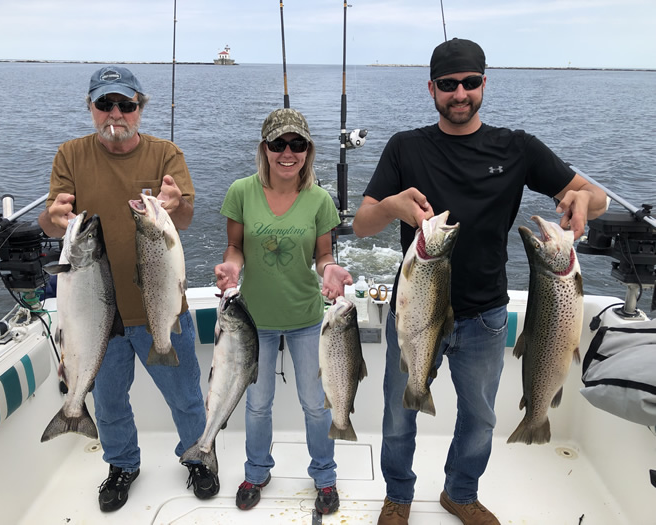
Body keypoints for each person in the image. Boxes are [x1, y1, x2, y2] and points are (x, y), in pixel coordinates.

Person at [352, 38, 607, 525]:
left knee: (481, 419)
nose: (460, 93)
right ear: (432, 89)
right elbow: (362, 222)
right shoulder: (405, 147)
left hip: (485, 317)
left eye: (470, 83)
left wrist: (585, 203)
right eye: (448, 85)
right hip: (417, 314)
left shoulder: (517, 147)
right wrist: (389, 207)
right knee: (399, 412)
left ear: (484, 84)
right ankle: (398, 496)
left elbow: (591, 196)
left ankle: (460, 493)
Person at [38, 66, 219, 512]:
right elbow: (50, 219)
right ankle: (122, 465)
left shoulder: (165, 154)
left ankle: (198, 456)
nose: (115, 113)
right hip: (94, 313)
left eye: (125, 104)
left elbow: (185, 216)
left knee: (185, 394)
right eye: (105, 104)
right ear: (91, 108)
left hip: (160, 308)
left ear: (140, 108)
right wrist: (53, 217)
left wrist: (175, 206)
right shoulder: (70, 155)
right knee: (109, 397)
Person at [213, 108, 353, 514]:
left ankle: (324, 476)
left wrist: (330, 271)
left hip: (308, 319)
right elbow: (235, 247)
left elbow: (323, 255)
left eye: (297, 144)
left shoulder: (320, 200)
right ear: (265, 149)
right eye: (278, 144)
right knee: (257, 403)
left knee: (316, 403)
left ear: (308, 150)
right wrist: (231, 267)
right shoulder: (241, 191)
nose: (287, 153)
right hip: (252, 323)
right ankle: (256, 471)